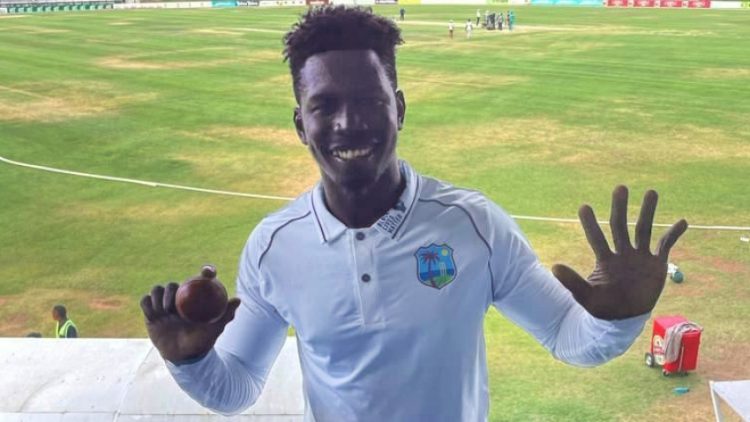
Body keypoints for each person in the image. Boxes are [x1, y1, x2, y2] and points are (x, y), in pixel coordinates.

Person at [140, 6, 688, 421]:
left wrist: (617, 318)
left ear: (399, 108)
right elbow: (235, 389)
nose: (348, 123)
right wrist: (189, 362)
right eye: (324, 106)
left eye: (369, 101)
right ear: (298, 124)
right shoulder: (273, 246)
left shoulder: (475, 225)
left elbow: (572, 338)